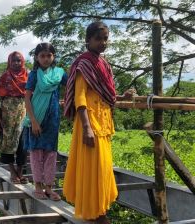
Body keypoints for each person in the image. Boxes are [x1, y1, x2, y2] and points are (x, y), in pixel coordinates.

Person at [63, 21, 134, 224]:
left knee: (102, 168)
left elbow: (107, 95)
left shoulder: (104, 64)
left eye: (105, 39)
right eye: (98, 38)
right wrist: (86, 128)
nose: (103, 42)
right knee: (92, 167)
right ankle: (95, 213)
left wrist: (123, 96)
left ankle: (99, 210)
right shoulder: (83, 63)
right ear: (88, 40)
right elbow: (80, 97)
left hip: (103, 122)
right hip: (89, 123)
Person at [22, 42, 68, 201]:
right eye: (42, 55)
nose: (46, 58)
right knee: (36, 154)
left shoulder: (59, 74)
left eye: (49, 55)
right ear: (36, 57)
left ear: (53, 56)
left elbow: (74, 84)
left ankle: (49, 188)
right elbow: (27, 98)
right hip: (37, 119)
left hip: (53, 120)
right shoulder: (34, 75)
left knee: (51, 154)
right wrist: (33, 121)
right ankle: (37, 186)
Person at [0, 51, 28, 184]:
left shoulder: (27, 75)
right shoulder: (5, 77)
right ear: (9, 62)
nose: (16, 63)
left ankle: (20, 171)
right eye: (13, 61)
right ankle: (12, 171)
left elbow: (31, 94)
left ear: (22, 61)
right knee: (7, 142)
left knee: (22, 143)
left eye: (19, 60)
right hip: (7, 115)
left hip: (23, 112)